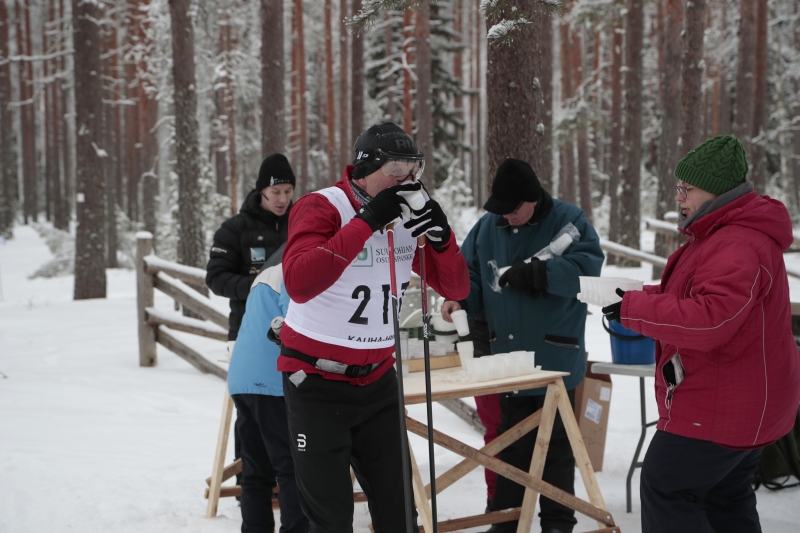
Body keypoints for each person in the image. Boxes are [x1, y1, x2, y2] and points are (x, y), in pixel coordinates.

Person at [601, 135, 800, 533]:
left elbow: (710, 320)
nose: (679, 198)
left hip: (725, 408)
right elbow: (704, 297)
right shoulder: (724, 234)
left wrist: (635, 310)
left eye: (686, 188)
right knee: (725, 498)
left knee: (666, 487)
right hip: (744, 406)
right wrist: (638, 296)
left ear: (717, 189)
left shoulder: (736, 242)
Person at [277, 122, 470, 532]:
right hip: (315, 379)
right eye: (396, 171)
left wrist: (441, 238)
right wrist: (366, 222)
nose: (408, 181)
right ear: (364, 170)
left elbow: (455, 286)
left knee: (399, 513)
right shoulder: (323, 205)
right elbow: (299, 281)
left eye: (414, 170)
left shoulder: (407, 215)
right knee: (330, 519)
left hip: (379, 379)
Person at [441, 158, 604, 533]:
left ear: (533, 199)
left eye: (514, 209)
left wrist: (541, 273)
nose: (508, 216)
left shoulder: (569, 220)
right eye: (502, 209)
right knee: (511, 449)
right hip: (508, 363)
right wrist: (459, 300)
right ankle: (507, 523)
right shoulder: (487, 228)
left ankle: (558, 523)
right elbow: (470, 277)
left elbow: (588, 270)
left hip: (554, 362)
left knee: (556, 452)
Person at [206, 153, 295, 497]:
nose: (282, 199)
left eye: (288, 191)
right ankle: (252, 481)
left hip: (292, 332)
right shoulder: (235, 229)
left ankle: (290, 479)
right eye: (276, 192)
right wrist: (258, 286)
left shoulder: (299, 224)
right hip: (246, 333)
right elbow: (215, 278)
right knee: (252, 412)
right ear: (261, 191)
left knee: (291, 406)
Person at [228, 244, 308, 533]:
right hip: (271, 379)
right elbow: (295, 325)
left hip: (242, 377)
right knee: (290, 467)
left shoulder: (269, 271)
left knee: (255, 469)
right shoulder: (295, 269)